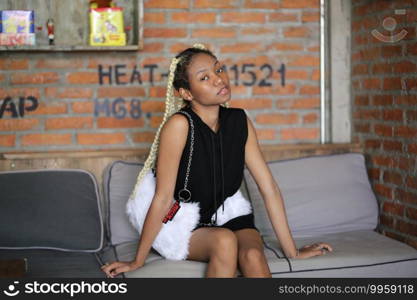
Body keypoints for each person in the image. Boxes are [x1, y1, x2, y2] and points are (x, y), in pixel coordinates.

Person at [101, 44, 333, 278]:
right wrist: (137, 261)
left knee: (252, 255)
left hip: (228, 213)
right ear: (186, 93)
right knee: (224, 241)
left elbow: (269, 188)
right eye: (205, 77)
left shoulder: (239, 121)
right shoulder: (179, 126)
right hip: (182, 220)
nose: (218, 80)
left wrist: (292, 252)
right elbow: (162, 197)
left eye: (219, 70)